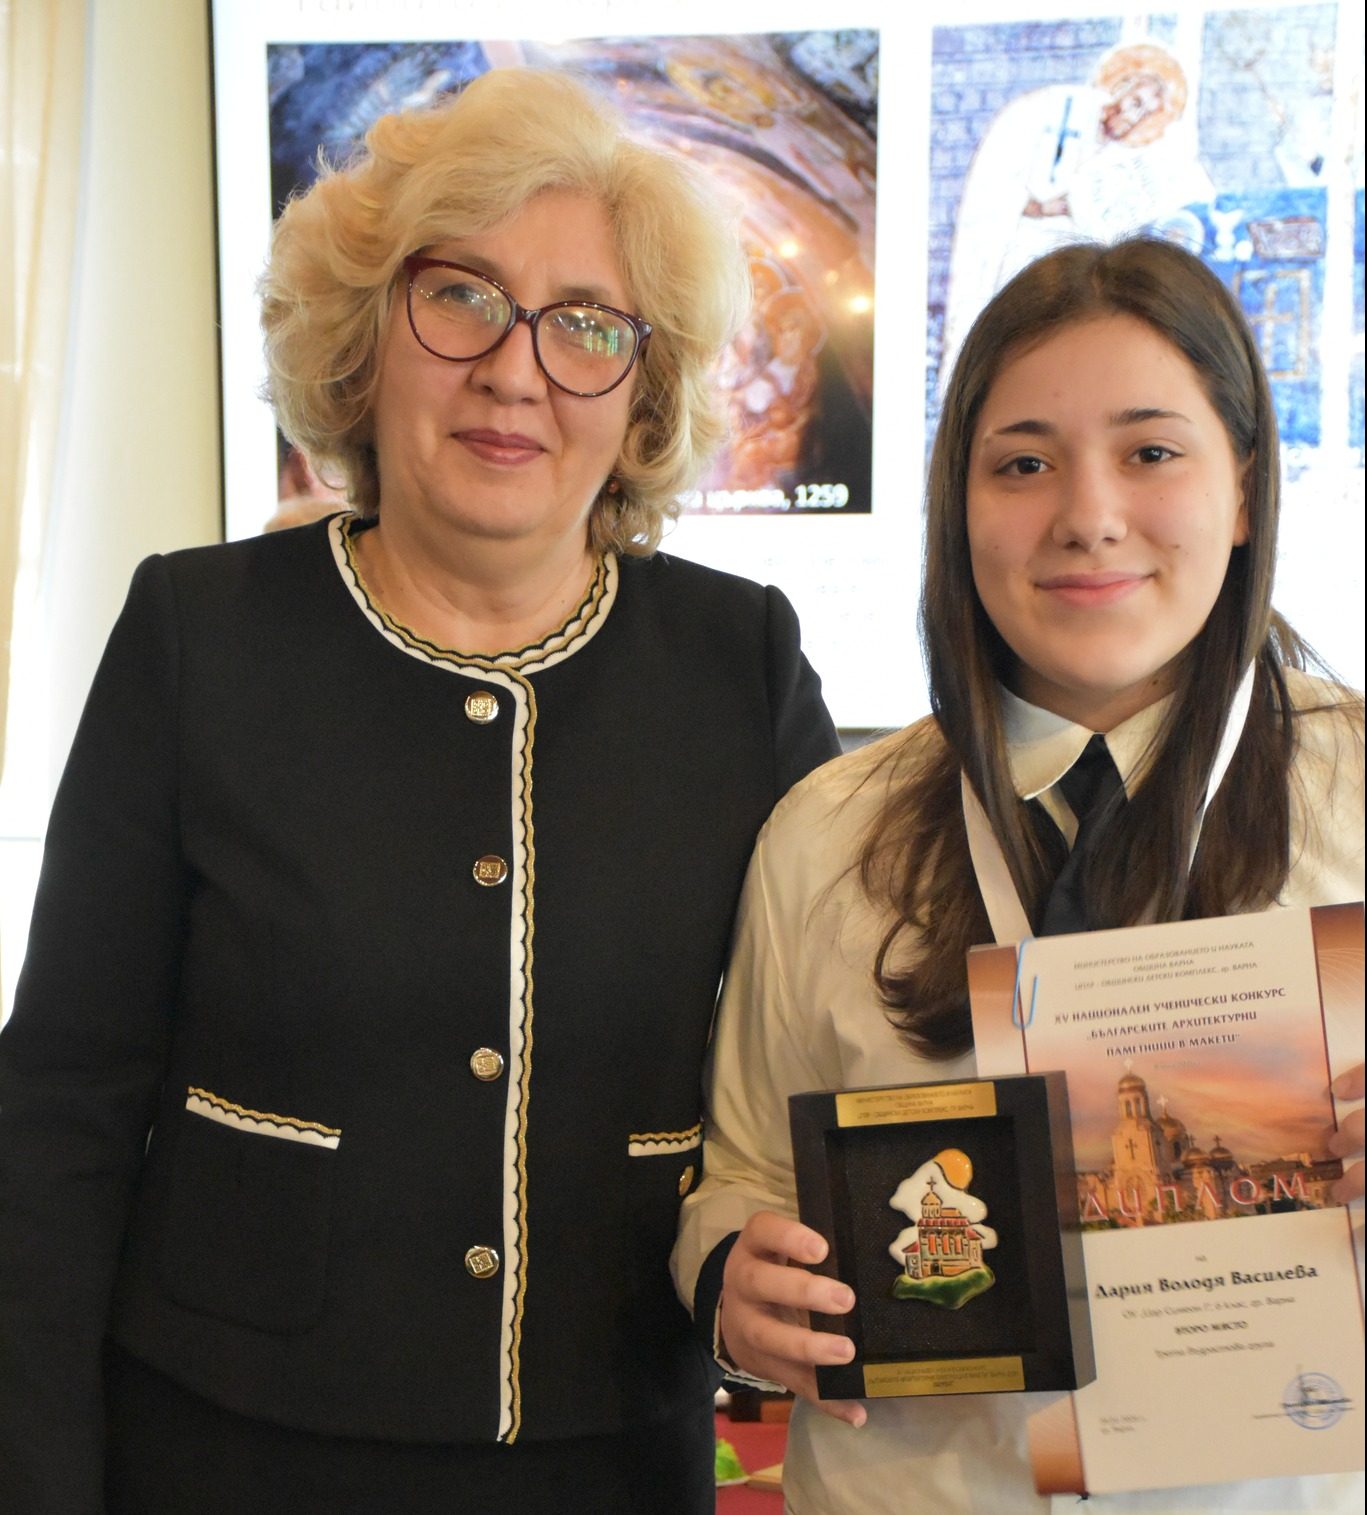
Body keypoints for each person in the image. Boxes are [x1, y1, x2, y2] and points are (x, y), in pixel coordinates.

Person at [0, 69, 839, 1514]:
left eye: (586, 324)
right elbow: (63, 1102)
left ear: (643, 390)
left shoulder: (736, 659)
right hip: (226, 1445)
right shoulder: (200, 635)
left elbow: (844, 1027)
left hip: (606, 1447)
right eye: (460, 296)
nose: (515, 371)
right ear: (360, 334)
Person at [674, 236, 1364, 1514]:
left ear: (1244, 490)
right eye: (1023, 464)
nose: (1085, 515)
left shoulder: (1357, 794)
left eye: (1149, 453)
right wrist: (734, 1284)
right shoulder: (826, 833)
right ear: (957, 507)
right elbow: (741, 1177)